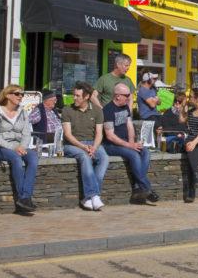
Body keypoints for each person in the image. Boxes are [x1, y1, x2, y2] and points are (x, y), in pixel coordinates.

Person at [102, 83, 157, 204]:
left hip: (125, 143)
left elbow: (130, 126)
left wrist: (132, 143)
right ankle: (147, 188)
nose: (129, 98)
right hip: (110, 145)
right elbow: (110, 136)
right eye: (127, 95)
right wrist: (130, 146)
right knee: (133, 155)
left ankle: (137, 189)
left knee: (145, 152)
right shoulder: (108, 110)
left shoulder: (125, 107)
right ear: (117, 96)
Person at [0, 85, 38, 215]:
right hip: (2, 147)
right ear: (8, 95)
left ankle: (25, 197)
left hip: (20, 145)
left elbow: (27, 132)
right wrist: (14, 147)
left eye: (22, 94)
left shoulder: (22, 111)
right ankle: (24, 199)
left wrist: (22, 146)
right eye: (17, 94)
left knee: (33, 158)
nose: (20, 96)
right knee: (16, 159)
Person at [62, 81, 109, 211]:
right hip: (73, 144)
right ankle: (94, 195)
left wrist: (94, 147)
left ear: (87, 96)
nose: (74, 98)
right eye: (74, 95)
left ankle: (88, 198)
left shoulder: (97, 110)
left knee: (104, 157)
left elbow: (99, 134)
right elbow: (68, 135)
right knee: (84, 156)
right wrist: (83, 147)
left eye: (77, 96)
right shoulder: (67, 110)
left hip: (92, 143)